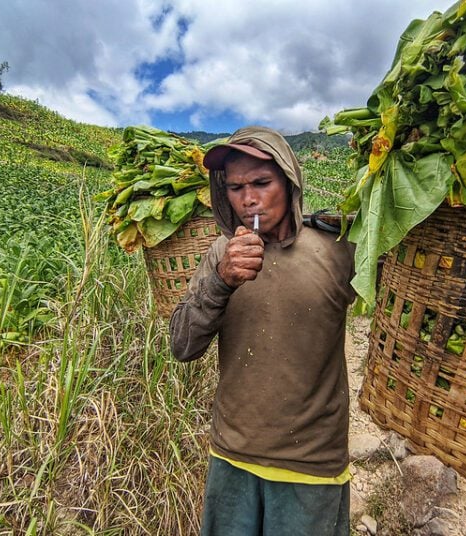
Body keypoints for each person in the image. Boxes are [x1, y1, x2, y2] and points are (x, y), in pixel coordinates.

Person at [169, 125, 356, 536]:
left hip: (310, 463)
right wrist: (221, 280)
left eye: (261, 183)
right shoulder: (222, 252)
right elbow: (182, 344)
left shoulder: (337, 248)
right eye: (235, 187)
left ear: (289, 181)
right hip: (232, 454)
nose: (247, 198)